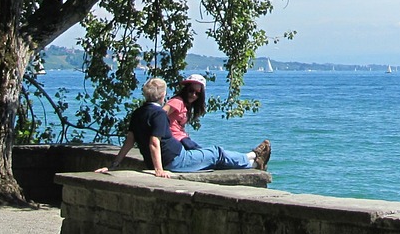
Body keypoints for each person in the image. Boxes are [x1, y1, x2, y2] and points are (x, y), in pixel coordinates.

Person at [95, 77, 271, 177]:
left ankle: (251, 161)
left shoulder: (138, 113)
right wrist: (159, 170)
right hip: (176, 159)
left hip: (174, 157)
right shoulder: (159, 114)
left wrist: (114, 165)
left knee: (211, 157)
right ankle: (253, 159)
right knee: (216, 152)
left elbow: (129, 141)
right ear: (163, 95)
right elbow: (154, 142)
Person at [165, 73, 207, 148]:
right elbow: (158, 115)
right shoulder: (177, 102)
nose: (193, 95)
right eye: (191, 90)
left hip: (181, 139)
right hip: (176, 140)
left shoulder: (186, 105)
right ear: (186, 89)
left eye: (197, 93)